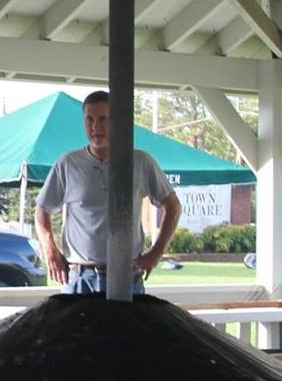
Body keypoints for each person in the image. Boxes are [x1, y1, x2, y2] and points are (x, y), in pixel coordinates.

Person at [34, 90, 181, 295]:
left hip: (127, 276)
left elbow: (173, 206)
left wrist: (155, 254)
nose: (96, 127)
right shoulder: (67, 164)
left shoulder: (141, 162)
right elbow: (42, 209)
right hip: (79, 278)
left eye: (103, 119)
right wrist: (50, 250)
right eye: (90, 120)